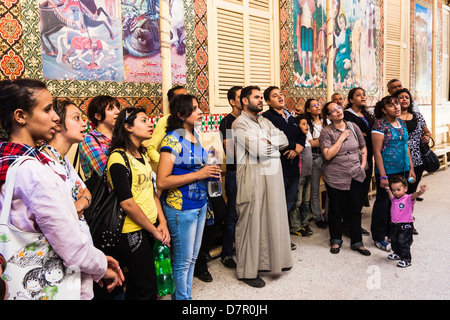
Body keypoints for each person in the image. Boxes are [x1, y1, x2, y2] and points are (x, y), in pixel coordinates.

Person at [0, 79, 123, 300]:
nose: (55, 117)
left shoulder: (11, 162)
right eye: (47, 110)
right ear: (21, 116)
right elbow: (71, 246)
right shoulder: (34, 172)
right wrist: (102, 266)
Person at [157, 94, 221, 300]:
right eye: (194, 109)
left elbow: (196, 167)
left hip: (200, 204)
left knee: (193, 257)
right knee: (183, 260)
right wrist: (200, 173)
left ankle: (185, 297)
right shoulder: (172, 139)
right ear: (181, 114)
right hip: (181, 207)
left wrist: (210, 168)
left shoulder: (193, 136)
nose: (200, 112)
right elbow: (162, 182)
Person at [106, 106, 170, 300]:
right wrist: (153, 230)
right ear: (128, 127)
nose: (150, 124)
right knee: (147, 289)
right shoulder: (118, 158)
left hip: (150, 227)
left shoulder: (142, 156)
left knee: (138, 285)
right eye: (143, 120)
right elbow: (128, 204)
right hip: (132, 231)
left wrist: (163, 223)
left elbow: (152, 193)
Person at [231, 85, 292, 288]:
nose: (261, 100)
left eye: (260, 97)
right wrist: (268, 143)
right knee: (250, 222)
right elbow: (259, 150)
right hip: (252, 179)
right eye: (256, 97)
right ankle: (247, 272)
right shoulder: (239, 124)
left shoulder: (264, 120)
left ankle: (270, 263)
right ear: (245, 101)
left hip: (271, 176)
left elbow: (285, 140)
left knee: (270, 219)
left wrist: (268, 142)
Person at [320, 101, 370, 256]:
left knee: (355, 208)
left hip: (355, 173)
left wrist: (362, 165)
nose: (338, 111)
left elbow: (363, 146)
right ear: (328, 116)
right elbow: (327, 154)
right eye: (333, 111)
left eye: (338, 108)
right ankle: (336, 239)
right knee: (336, 209)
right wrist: (341, 138)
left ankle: (357, 241)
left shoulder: (353, 127)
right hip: (335, 175)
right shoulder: (326, 132)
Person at [40, 99, 93, 241]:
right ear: (57, 124)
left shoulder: (63, 160)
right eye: (76, 118)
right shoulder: (44, 162)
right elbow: (56, 217)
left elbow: (87, 192)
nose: (84, 123)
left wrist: (80, 204)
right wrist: (76, 207)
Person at [371, 96, 416, 252]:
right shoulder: (380, 125)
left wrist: (411, 167)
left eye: (397, 103)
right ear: (384, 110)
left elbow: (406, 147)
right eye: (391, 105)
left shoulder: (401, 123)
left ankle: (392, 231)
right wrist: (382, 176)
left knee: (397, 203)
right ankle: (378, 236)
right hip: (387, 171)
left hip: (402, 169)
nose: (396, 107)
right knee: (383, 203)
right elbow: (376, 152)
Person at [262, 86, 305, 249]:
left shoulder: (290, 116)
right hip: (279, 166)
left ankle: (282, 237)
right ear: (267, 101)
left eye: (280, 94)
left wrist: (298, 147)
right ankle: (276, 240)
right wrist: (294, 146)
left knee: (289, 202)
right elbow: (273, 139)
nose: (280, 97)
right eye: (275, 95)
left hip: (294, 167)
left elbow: (301, 134)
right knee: (277, 205)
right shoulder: (266, 118)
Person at [344, 87, 375, 235]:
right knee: (354, 192)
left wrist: (365, 135)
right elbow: (353, 135)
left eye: (364, 94)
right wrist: (365, 135)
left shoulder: (366, 114)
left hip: (368, 155)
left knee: (363, 190)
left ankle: (355, 223)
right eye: (358, 95)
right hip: (354, 157)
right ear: (351, 100)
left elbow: (368, 134)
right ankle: (349, 226)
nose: (362, 97)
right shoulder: (347, 115)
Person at [218, 85, 243, 269]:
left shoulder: (252, 120)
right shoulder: (227, 122)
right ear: (233, 102)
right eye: (241, 97)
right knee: (232, 215)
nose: (245, 99)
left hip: (252, 172)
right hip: (235, 172)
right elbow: (231, 151)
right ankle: (227, 253)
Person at [393, 88, 431, 203]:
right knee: (398, 191)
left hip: (417, 161)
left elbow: (427, 132)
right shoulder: (393, 118)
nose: (404, 99)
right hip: (399, 161)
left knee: (410, 190)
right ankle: (396, 215)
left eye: (407, 97)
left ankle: (406, 215)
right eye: (401, 97)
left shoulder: (418, 116)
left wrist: (427, 137)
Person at [79, 95, 120, 190]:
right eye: (110, 108)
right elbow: (107, 173)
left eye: (117, 108)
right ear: (98, 116)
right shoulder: (89, 139)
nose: (117, 111)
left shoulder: (119, 136)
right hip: (106, 198)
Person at [385, 175, 428, 268]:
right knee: (394, 241)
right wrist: (389, 191)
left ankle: (406, 259)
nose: (395, 192)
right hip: (394, 225)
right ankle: (397, 253)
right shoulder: (394, 198)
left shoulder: (408, 198)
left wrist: (420, 192)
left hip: (405, 226)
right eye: (394, 190)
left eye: (398, 189)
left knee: (403, 243)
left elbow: (414, 195)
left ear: (405, 188)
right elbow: (391, 197)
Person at [145, 85, 188, 171]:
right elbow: (151, 147)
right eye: (183, 97)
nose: (188, 100)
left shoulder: (188, 121)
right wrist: (165, 164)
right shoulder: (165, 121)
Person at [289, 114, 314, 237]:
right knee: (297, 202)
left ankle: (305, 224)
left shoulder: (307, 136)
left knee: (306, 201)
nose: (306, 126)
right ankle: (295, 226)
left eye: (307, 124)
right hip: (299, 174)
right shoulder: (297, 139)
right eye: (303, 124)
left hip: (308, 174)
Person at [304, 98, 328, 228]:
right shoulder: (307, 124)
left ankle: (328, 216)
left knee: (331, 186)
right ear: (308, 109)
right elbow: (312, 143)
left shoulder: (327, 121)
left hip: (328, 156)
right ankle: (318, 217)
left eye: (318, 104)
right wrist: (327, 139)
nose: (317, 107)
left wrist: (320, 140)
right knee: (315, 188)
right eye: (314, 105)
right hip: (315, 156)